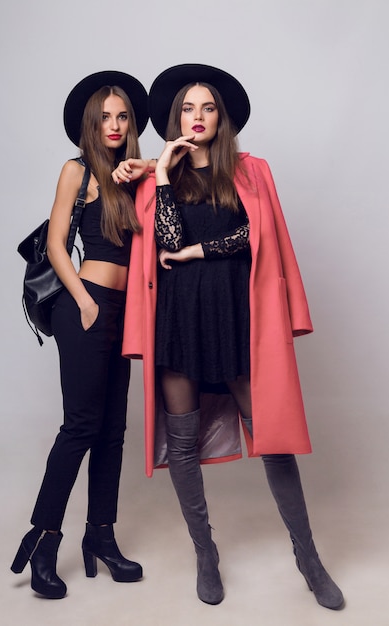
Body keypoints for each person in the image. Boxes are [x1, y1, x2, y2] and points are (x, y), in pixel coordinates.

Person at [115, 64, 344, 609]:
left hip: (235, 316)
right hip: (177, 318)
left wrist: (201, 251)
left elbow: (253, 235)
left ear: (223, 118)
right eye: (189, 109)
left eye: (208, 108)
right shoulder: (155, 179)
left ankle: (308, 558)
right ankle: (205, 553)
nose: (198, 117)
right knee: (184, 439)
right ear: (175, 118)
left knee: (272, 438)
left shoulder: (250, 170)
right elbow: (165, 240)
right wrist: (162, 173)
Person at [11, 71, 153, 599]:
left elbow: (182, 177)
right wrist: (86, 302)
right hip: (86, 308)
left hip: (124, 312)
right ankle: (45, 541)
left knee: (113, 430)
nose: (114, 126)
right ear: (90, 125)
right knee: (81, 427)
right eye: (105, 118)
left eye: (122, 117)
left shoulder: (136, 174)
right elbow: (54, 245)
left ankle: (102, 537)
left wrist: (150, 168)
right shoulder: (77, 170)